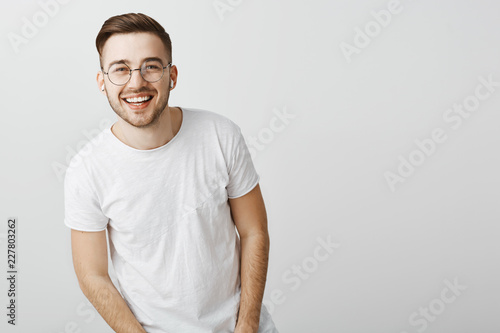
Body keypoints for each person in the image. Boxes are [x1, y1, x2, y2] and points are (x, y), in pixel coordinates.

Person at [64, 12, 278, 333]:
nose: (136, 82)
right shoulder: (87, 170)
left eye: (151, 66)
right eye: (120, 69)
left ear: (172, 76)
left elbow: (254, 231)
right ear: (102, 82)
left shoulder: (220, 135)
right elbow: (93, 275)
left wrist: (247, 325)